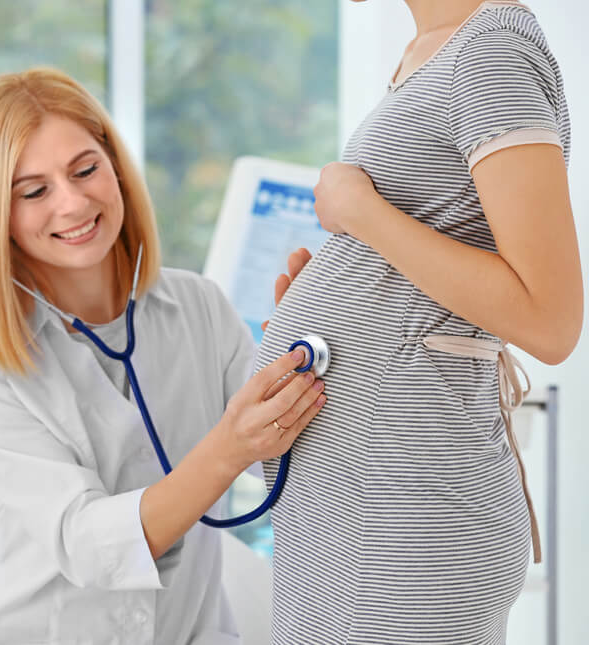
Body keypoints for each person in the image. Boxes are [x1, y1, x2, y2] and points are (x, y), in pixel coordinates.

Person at [0, 68, 326, 644]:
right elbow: (91, 546)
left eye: (85, 169)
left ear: (115, 167)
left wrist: (310, 346)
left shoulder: (198, 307)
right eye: (34, 191)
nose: (72, 204)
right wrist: (230, 445)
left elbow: (294, 457)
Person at [255, 0, 583, 642]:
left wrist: (361, 212)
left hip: (412, 518)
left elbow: (552, 320)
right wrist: (345, 297)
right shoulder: (435, 48)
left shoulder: (491, 54)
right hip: (356, 510)